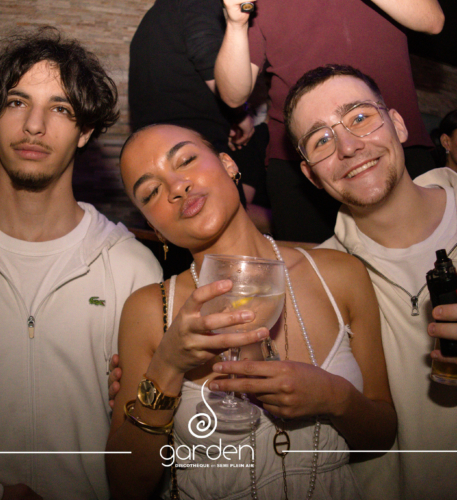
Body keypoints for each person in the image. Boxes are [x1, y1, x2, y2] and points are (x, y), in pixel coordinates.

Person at [106, 123, 396, 499]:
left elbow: (381, 436)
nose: (177, 187)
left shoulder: (340, 274)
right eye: (152, 192)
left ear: (228, 164)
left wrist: (335, 397)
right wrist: (167, 367)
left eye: (186, 160)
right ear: (154, 226)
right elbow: (126, 486)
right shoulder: (149, 311)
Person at [0, 27, 162, 500]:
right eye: (16, 102)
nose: (34, 125)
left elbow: (155, 447)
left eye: (61, 109)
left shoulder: (132, 268)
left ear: (85, 131)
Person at [283, 63, 457, 500]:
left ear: (398, 124)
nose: (348, 147)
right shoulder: (315, 281)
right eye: (321, 140)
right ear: (311, 175)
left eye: (360, 117)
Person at [215, 0, 444, 243]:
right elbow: (232, 95)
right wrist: (236, 24)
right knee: (318, 263)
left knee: (432, 253)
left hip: (391, 141)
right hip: (302, 163)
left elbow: (432, 20)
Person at [128, 0, 271, 233]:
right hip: (192, 155)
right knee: (229, 242)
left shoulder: (154, 18)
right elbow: (224, 84)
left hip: (158, 163)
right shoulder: (197, 5)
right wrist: (240, 113)